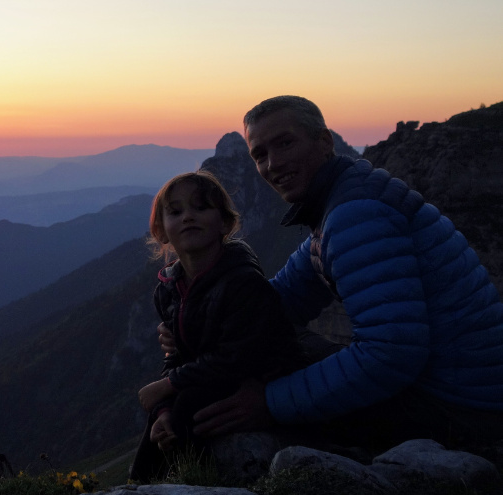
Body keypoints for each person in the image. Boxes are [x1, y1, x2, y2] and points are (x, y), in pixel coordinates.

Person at [179, 95, 503, 452]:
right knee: (266, 348)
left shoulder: (354, 216)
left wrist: (270, 403)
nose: (273, 164)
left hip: (462, 409)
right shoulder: (341, 201)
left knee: (252, 396)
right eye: (259, 155)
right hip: (460, 391)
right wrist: (188, 323)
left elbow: (391, 355)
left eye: (285, 143)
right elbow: (273, 304)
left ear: (324, 142)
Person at [128, 171, 304, 482]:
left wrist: (167, 388)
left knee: (190, 405)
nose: (188, 217)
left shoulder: (243, 281)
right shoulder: (168, 290)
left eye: (201, 207)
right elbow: (178, 357)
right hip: (207, 379)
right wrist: (162, 411)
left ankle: (191, 488)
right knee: (169, 414)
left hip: (260, 380)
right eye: (176, 211)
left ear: (224, 224)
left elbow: (235, 358)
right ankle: (141, 487)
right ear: (161, 231)